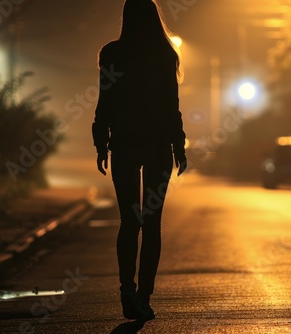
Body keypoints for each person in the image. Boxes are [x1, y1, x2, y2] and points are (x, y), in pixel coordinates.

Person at [92, 0, 187, 321]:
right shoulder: (165, 55)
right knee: (152, 224)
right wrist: (179, 146)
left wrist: (100, 142)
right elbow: (172, 105)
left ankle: (126, 289)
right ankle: (144, 295)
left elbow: (105, 100)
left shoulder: (112, 54)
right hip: (158, 146)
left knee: (129, 222)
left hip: (125, 144)